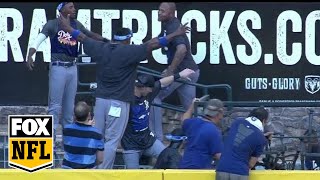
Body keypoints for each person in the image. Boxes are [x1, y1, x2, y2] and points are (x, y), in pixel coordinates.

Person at [57, 12, 191, 169]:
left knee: (97, 135)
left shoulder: (101, 48)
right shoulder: (130, 51)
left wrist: (66, 27)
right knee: (112, 141)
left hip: (100, 101)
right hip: (118, 103)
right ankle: (102, 174)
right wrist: (176, 33)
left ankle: (91, 169)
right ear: (127, 39)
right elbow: (153, 44)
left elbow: (82, 37)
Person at [26, 2, 107, 142]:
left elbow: (89, 34)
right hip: (58, 66)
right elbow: (39, 38)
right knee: (55, 107)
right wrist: (30, 54)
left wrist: (106, 40)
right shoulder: (53, 24)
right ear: (61, 9)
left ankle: (68, 142)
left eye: (74, 7)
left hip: (72, 67)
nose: (74, 9)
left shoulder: (76, 24)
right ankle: (49, 141)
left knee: (69, 108)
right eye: (70, 7)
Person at [121, 68, 195, 169]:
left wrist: (179, 75)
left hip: (148, 140)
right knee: (133, 176)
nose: (152, 90)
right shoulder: (125, 100)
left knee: (169, 156)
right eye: (149, 88)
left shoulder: (148, 93)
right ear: (142, 87)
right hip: (131, 145)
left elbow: (161, 83)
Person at [149, 2, 200, 141]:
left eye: (162, 11)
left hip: (182, 73)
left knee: (154, 95)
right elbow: (160, 40)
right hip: (191, 71)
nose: (159, 13)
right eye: (159, 10)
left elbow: (182, 49)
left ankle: (156, 138)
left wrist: (170, 71)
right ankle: (196, 139)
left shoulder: (173, 26)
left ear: (171, 13)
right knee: (190, 109)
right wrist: (143, 46)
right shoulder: (168, 24)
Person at [216, 107, 269, 180]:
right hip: (240, 172)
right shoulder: (261, 138)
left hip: (222, 168)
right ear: (263, 121)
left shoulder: (237, 122)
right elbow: (251, 164)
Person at [179, 98, 224, 169]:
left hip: (183, 170)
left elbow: (184, 120)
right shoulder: (214, 131)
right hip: (199, 171)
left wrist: (192, 105)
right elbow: (219, 155)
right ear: (220, 114)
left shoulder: (193, 123)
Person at [61, 101, 104, 169]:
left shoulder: (66, 129)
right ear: (89, 115)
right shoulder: (97, 133)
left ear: (74, 115)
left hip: (67, 171)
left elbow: (65, 145)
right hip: (87, 173)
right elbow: (100, 159)